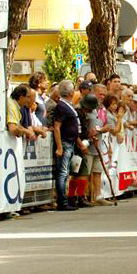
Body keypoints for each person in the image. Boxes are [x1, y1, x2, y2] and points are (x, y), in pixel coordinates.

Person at [53, 80, 82, 211]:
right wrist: (59, 146)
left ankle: (66, 200)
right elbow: (57, 127)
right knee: (62, 173)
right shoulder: (61, 106)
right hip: (65, 143)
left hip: (70, 142)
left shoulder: (67, 105)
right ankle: (62, 202)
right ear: (71, 92)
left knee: (66, 173)